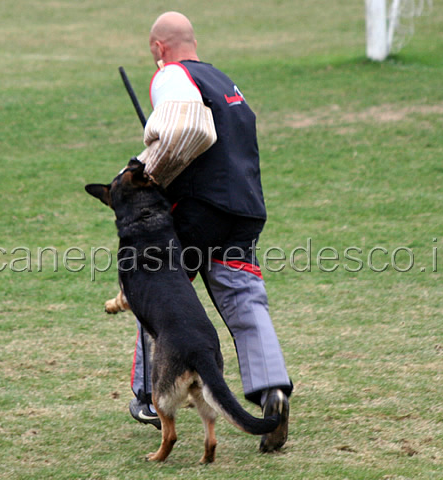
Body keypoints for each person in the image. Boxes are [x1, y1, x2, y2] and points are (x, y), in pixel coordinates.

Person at [127, 11, 293, 453]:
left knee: (157, 290)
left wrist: (150, 169)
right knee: (244, 299)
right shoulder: (225, 81)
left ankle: (149, 395)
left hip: (199, 208)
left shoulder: (171, 75)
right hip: (245, 208)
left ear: (160, 49)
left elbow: (184, 128)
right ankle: (272, 390)